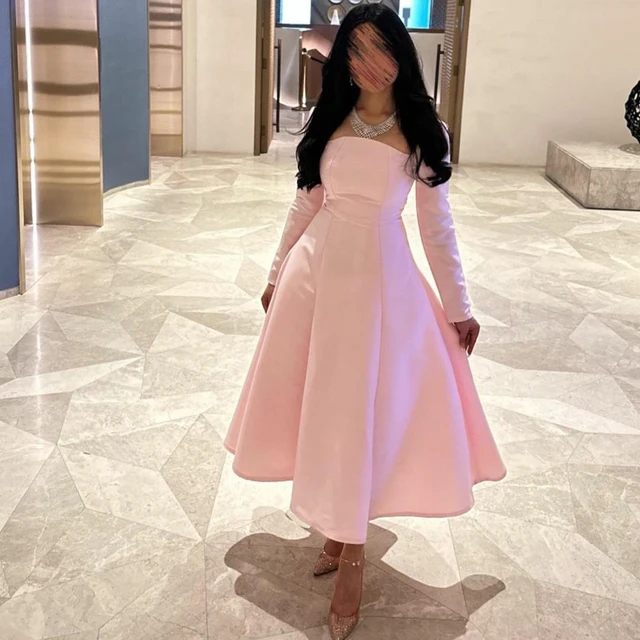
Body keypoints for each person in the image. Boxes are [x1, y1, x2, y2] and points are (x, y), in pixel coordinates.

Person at [225, 5, 506, 639]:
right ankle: (335, 523)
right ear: (343, 60)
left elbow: (437, 228)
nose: (369, 63)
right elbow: (306, 201)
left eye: (382, 48)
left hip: (378, 285)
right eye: (356, 50)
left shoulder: (423, 129)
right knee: (322, 407)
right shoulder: (330, 117)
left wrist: (458, 307)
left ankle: (351, 553)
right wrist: (276, 272)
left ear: (402, 55)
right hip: (315, 276)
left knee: (361, 411)